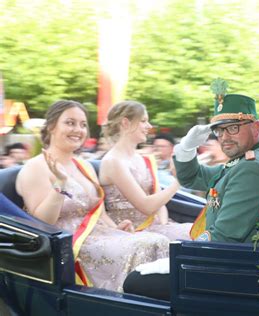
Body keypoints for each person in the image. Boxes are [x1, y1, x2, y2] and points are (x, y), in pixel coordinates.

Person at [122, 82, 259, 300]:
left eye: (233, 128)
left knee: (134, 282)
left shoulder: (252, 168)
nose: (225, 137)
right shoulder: (244, 162)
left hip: (236, 270)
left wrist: (181, 258)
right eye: (219, 130)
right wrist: (187, 148)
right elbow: (191, 176)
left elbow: (224, 239)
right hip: (236, 259)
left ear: (255, 128)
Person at [16, 100, 170, 292]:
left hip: (99, 233)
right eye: (70, 123)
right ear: (51, 127)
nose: (78, 130)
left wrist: (117, 228)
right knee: (146, 245)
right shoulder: (35, 167)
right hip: (68, 243)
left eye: (82, 124)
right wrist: (60, 185)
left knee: (159, 241)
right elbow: (42, 222)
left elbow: (98, 211)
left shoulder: (84, 165)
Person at [99, 101, 192, 241]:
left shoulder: (145, 160)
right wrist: (179, 180)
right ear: (125, 123)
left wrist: (163, 225)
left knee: (199, 231)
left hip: (154, 228)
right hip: (130, 232)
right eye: (143, 121)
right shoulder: (113, 161)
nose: (149, 126)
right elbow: (147, 206)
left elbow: (159, 203)